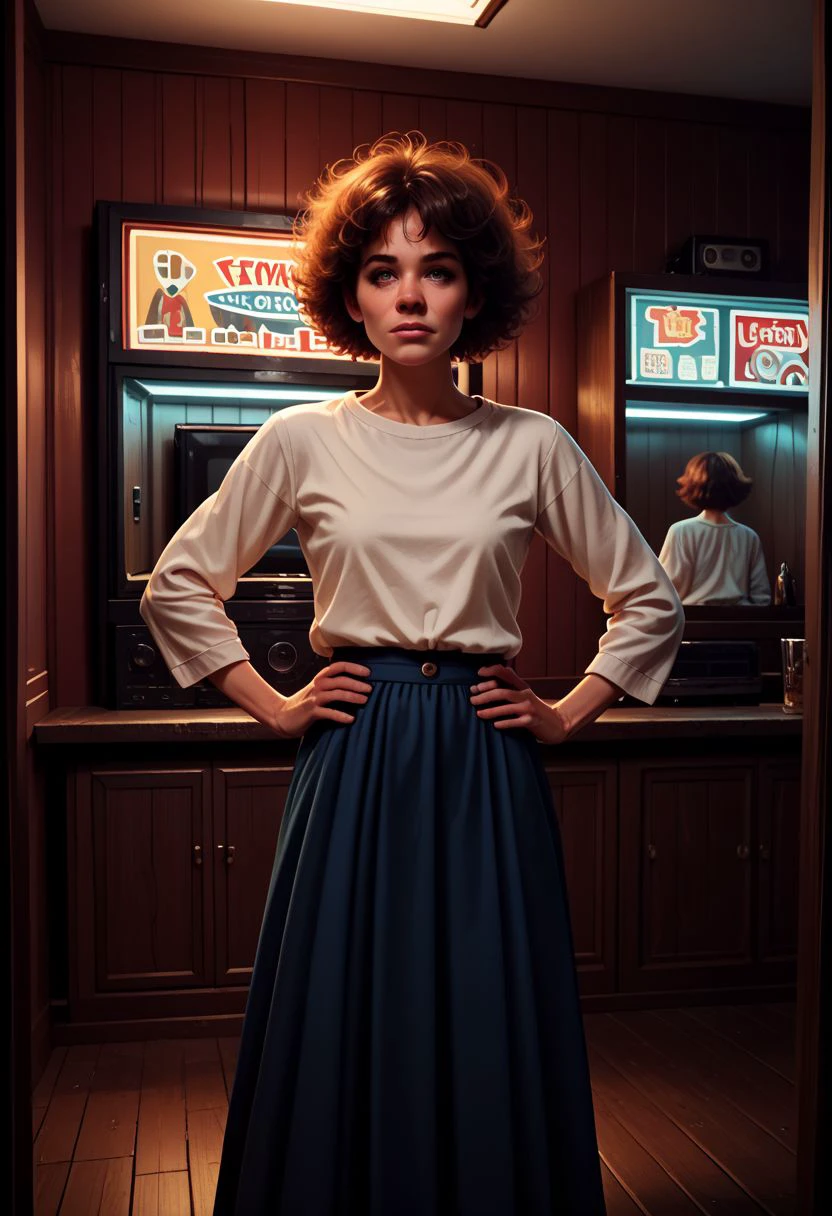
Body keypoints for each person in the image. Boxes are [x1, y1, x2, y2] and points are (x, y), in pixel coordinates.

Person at [139, 132, 684, 1216]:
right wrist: (274, 702)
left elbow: (648, 597)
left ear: (473, 287)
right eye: (382, 271)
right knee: (342, 1001)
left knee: (487, 1001)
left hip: (485, 754)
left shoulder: (532, 444)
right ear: (350, 292)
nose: (410, 295)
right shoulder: (299, 438)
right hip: (356, 748)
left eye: (435, 269)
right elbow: (178, 583)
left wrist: (571, 711)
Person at [658, 451, 771, 606]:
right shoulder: (749, 536)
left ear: (693, 486)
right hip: (742, 623)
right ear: (736, 486)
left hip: (692, 623)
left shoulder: (681, 531)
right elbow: (761, 597)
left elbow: (666, 591)